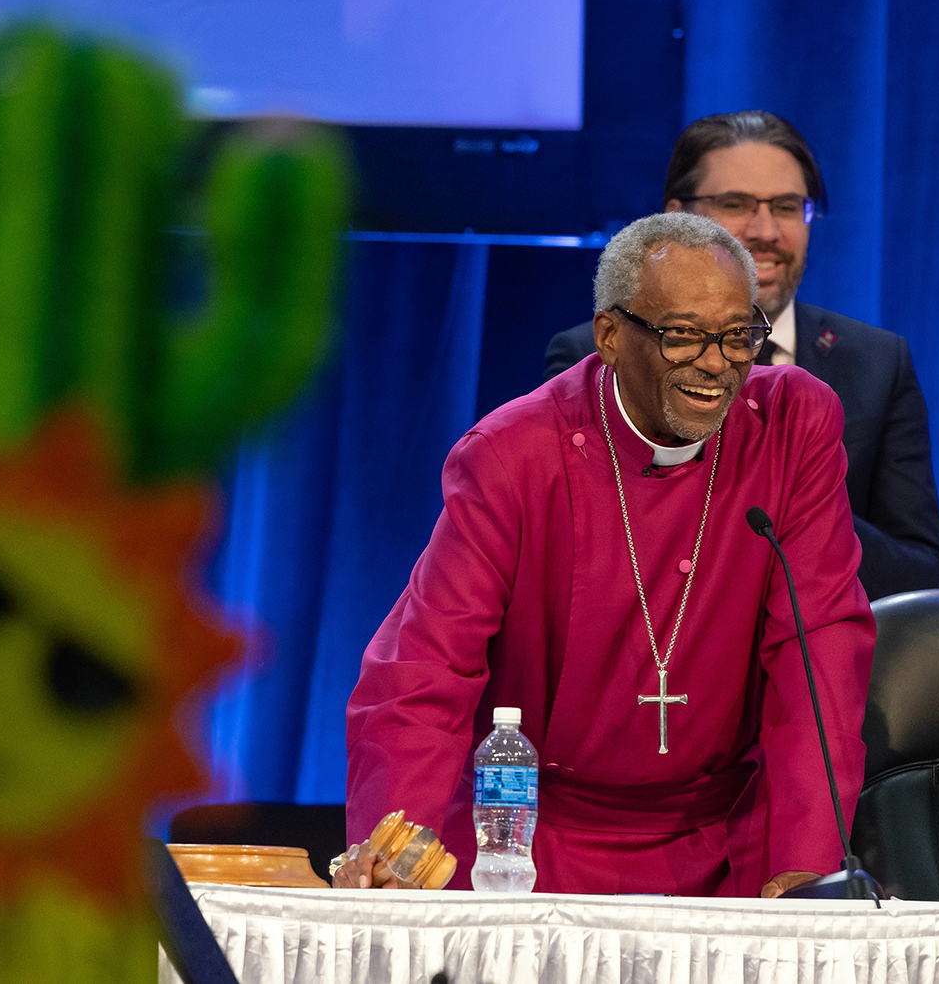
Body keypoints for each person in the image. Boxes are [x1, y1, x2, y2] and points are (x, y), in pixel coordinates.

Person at [341, 212, 875, 897]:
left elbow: (819, 650)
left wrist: (806, 869)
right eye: (683, 335)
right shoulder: (514, 455)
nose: (716, 362)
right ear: (611, 336)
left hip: (728, 850)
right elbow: (425, 668)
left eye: (739, 335)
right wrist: (401, 854)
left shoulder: (791, 427)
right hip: (533, 851)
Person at [543, 111, 939, 599]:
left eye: (786, 206)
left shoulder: (878, 364)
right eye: (735, 203)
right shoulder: (595, 355)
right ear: (676, 219)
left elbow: (925, 575)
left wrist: (802, 507)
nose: (765, 231)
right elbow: (573, 549)